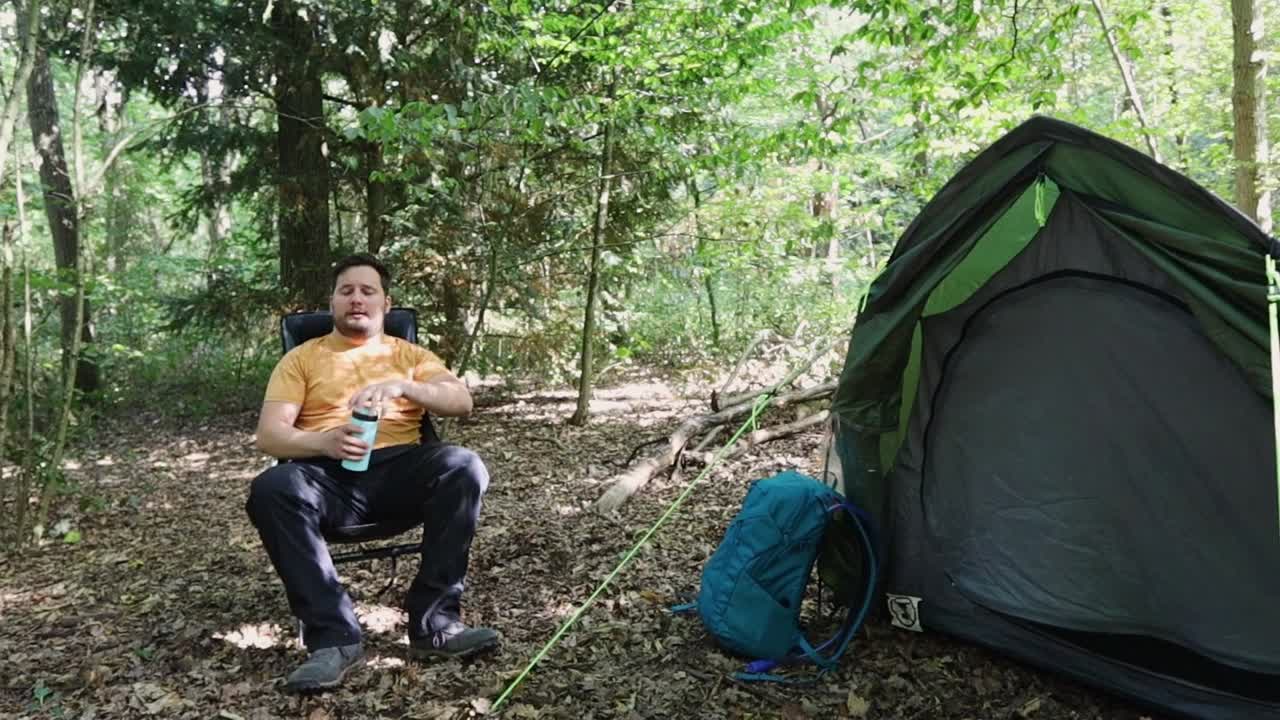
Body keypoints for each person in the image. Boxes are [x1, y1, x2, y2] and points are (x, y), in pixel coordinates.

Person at [246, 253, 499, 693]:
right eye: (347, 291)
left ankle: (435, 626)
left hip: (401, 470)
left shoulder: (411, 355)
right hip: (325, 479)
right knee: (271, 488)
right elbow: (270, 436)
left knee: (464, 465)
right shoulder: (301, 359)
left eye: (368, 291)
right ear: (333, 302)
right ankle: (334, 640)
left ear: (386, 302)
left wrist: (405, 386)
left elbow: (462, 403)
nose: (357, 299)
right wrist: (321, 442)